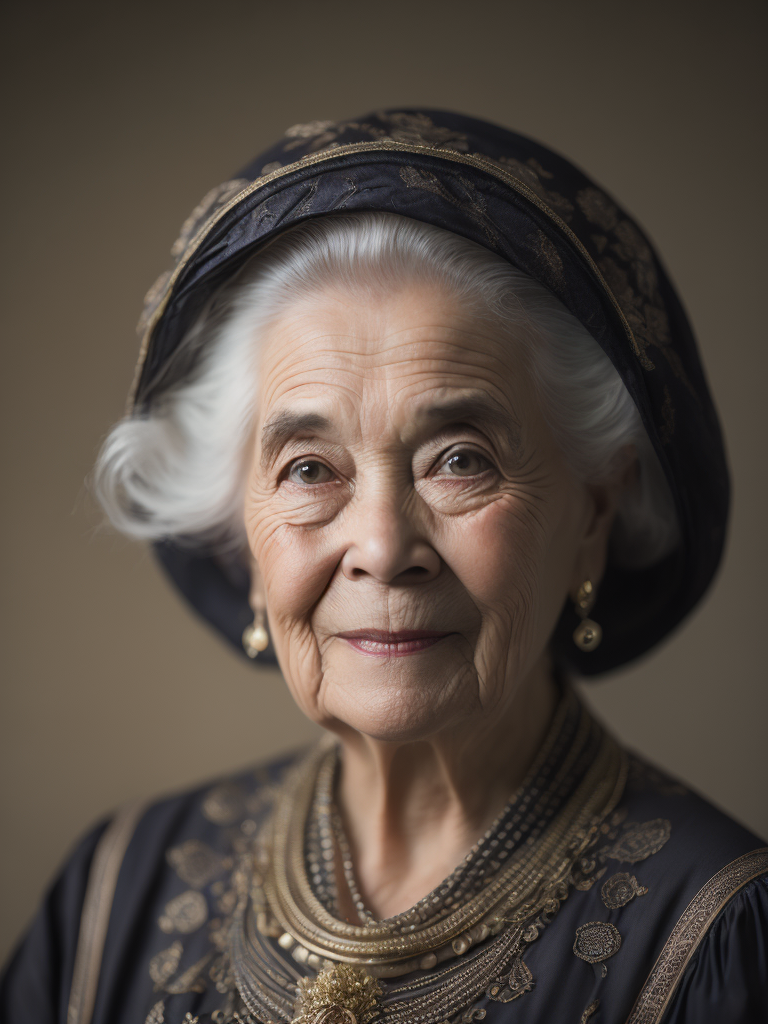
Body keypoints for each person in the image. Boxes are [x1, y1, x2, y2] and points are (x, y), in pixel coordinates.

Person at [1, 109, 765, 1024]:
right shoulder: (111, 899)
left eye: (460, 459)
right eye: (310, 470)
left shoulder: (719, 933)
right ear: (240, 538)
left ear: (594, 512)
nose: (383, 548)